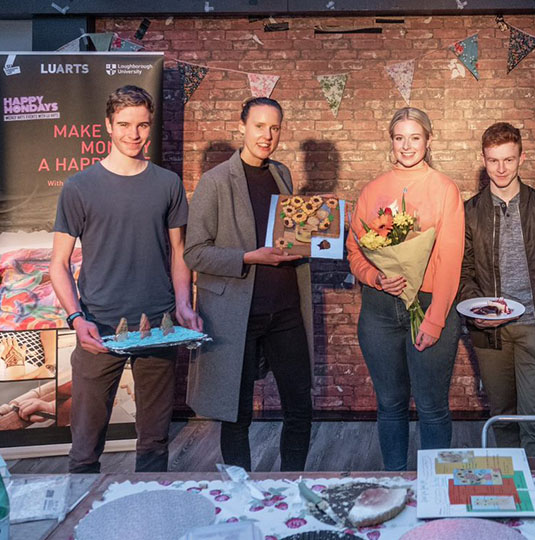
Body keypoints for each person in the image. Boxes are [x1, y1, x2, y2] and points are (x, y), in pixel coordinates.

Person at [49, 85, 202, 473]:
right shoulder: (79, 187)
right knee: (84, 447)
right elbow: (59, 264)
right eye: (125, 124)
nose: (134, 135)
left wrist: (184, 305)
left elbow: (179, 252)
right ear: (108, 126)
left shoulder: (167, 184)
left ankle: (150, 519)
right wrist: (76, 319)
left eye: (142, 125)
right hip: (98, 329)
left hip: (159, 327)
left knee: (154, 442)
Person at [184, 97, 314, 472]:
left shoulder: (282, 174)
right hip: (238, 314)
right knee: (236, 414)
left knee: (300, 408)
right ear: (242, 127)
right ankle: (241, 494)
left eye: (275, 128)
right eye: (260, 126)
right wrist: (246, 257)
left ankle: (291, 488)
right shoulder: (215, 181)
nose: (267, 135)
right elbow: (195, 252)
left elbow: (289, 234)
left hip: (286, 310)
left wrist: (320, 235)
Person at [346, 107, 465, 471]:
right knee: (391, 404)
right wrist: (375, 277)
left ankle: (436, 488)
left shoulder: (445, 189)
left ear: (428, 141)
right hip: (380, 310)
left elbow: (450, 260)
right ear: (391, 141)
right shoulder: (372, 190)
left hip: (428, 307)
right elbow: (355, 251)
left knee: (431, 406)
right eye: (400, 138)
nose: (407, 145)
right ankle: (394, 482)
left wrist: (434, 320)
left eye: (415, 137)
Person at [458, 122, 535, 457]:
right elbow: (463, 271)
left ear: (521, 157)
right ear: (484, 160)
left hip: (534, 326)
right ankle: (510, 492)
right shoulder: (469, 213)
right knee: (502, 416)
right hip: (490, 330)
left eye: (508, 159)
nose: (501, 168)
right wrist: (477, 311)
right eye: (493, 160)